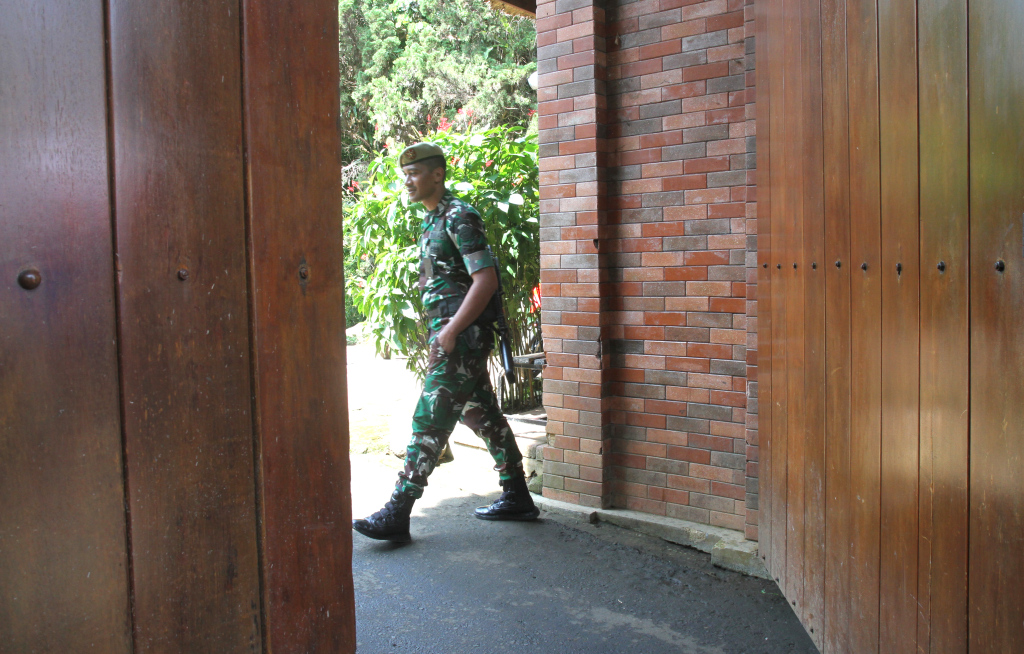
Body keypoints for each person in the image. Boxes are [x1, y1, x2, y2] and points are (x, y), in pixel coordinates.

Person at [352, 142, 539, 543]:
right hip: (456, 337)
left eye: (415, 173)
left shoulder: (459, 215)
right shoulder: (432, 219)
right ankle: (517, 494)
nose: (408, 180)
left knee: (430, 417)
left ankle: (398, 509)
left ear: (437, 174)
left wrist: (451, 331)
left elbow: (485, 280)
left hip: (462, 340)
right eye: (405, 174)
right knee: (483, 415)